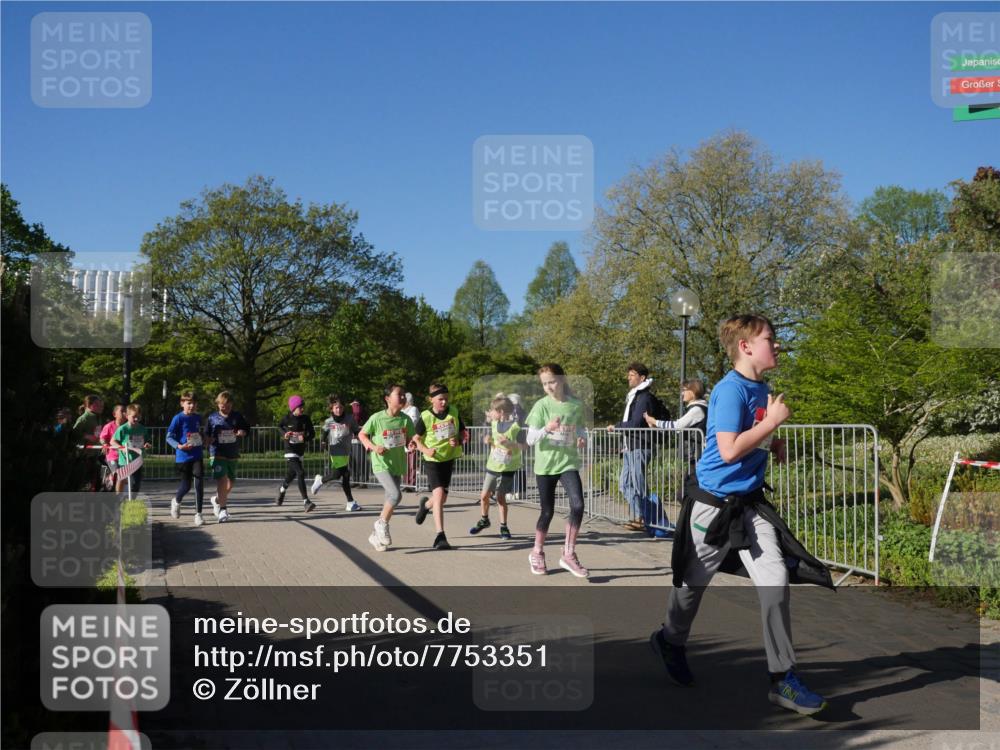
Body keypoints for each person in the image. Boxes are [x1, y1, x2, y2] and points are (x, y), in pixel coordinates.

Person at [649, 314, 832, 717]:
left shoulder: (760, 387)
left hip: (749, 505)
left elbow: (754, 432)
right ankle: (669, 639)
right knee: (692, 586)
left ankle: (782, 678)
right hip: (713, 508)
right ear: (746, 346)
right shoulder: (730, 390)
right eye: (771, 339)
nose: (778, 345)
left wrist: (774, 439)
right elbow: (730, 450)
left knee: (775, 578)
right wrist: (774, 424)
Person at [524, 363, 589, 578]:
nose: (549, 387)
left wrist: (582, 439)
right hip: (545, 466)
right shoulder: (541, 406)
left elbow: (580, 429)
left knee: (578, 505)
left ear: (562, 379)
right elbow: (530, 439)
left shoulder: (575, 405)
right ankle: (537, 552)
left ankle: (568, 554)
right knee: (547, 511)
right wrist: (547, 428)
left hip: (568, 463)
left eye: (552, 381)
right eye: (544, 384)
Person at [358, 384, 414, 552]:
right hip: (380, 463)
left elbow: (410, 439)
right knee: (396, 495)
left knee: (390, 499)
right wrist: (374, 447)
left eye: (404, 395)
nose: (403, 397)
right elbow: (362, 434)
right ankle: (381, 524)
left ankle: (375, 535)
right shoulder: (377, 418)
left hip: (397, 463)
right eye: (399, 395)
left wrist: (411, 444)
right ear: (388, 399)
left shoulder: (405, 419)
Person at [412, 383, 466, 551]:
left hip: (448, 458)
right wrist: (426, 450)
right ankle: (440, 536)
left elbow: (463, 432)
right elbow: (415, 439)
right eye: (440, 399)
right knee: (439, 493)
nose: (444, 402)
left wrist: (457, 440)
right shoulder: (426, 416)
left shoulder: (454, 411)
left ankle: (426, 506)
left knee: (441, 499)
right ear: (431, 400)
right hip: (432, 460)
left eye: (446, 399)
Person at [606, 363, 657, 532]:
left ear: (642, 378)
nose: (629, 377)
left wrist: (617, 426)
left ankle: (646, 518)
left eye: (632, 374)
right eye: (629, 374)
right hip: (630, 447)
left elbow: (636, 422)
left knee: (639, 485)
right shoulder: (634, 396)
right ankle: (640, 516)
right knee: (624, 484)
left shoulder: (644, 398)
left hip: (640, 446)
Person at [470, 395, 523, 539]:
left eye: (492, 410)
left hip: (508, 467)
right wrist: (489, 440)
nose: (490, 413)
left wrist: (510, 444)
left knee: (500, 497)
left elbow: (523, 446)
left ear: (501, 412)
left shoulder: (515, 427)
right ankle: (484, 520)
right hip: (493, 465)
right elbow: (494, 442)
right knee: (484, 495)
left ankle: (504, 527)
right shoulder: (494, 424)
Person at [205, 390, 251, 523]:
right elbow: (206, 435)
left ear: (231, 404)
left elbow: (247, 429)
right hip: (217, 452)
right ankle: (223, 510)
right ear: (218, 404)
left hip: (232, 452)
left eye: (228, 404)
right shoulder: (212, 418)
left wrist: (243, 432)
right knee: (222, 480)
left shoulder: (237, 416)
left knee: (231, 481)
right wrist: (208, 440)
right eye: (222, 404)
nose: (225, 407)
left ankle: (217, 499)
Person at [311, 394, 362, 510]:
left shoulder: (349, 419)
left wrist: (363, 438)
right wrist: (323, 442)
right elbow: (324, 432)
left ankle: (321, 481)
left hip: (346, 451)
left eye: (340, 408)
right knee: (341, 474)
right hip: (335, 450)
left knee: (342, 475)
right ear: (332, 409)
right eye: (336, 408)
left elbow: (356, 430)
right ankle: (350, 502)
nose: (338, 410)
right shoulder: (329, 421)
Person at [644, 378, 709, 465]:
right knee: (689, 477)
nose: (682, 393)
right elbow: (677, 429)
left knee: (692, 477)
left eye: (684, 390)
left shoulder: (697, 410)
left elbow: (678, 425)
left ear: (693, 392)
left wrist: (655, 422)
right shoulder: (696, 408)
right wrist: (656, 426)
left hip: (698, 455)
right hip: (696, 454)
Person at [166, 391, 207, 525]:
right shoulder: (178, 418)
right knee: (186, 486)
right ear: (182, 403)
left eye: (194, 403)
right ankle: (176, 501)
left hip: (197, 455)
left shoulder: (198, 417)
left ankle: (198, 514)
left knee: (199, 482)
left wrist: (203, 438)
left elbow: (200, 433)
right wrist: (179, 446)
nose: (192, 406)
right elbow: (169, 437)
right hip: (183, 456)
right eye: (189, 403)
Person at [276, 395, 316, 512]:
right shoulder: (287, 418)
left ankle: (282, 489)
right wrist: (285, 434)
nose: (302, 409)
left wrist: (305, 438)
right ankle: (306, 502)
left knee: (292, 474)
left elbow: (312, 433)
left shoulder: (306, 419)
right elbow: (279, 426)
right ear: (293, 408)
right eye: (300, 407)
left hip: (300, 451)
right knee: (300, 472)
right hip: (290, 450)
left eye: (303, 407)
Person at [111, 403, 151, 495]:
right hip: (125, 460)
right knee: (122, 479)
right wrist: (122, 448)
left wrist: (147, 444)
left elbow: (146, 441)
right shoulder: (123, 429)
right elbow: (112, 441)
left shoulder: (142, 429)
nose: (136, 419)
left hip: (137, 461)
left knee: (136, 484)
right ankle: (118, 497)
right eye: (134, 417)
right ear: (127, 416)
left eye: (138, 417)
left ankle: (131, 501)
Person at [72, 395, 104, 490]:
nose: (100, 406)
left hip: (95, 454)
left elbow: (97, 434)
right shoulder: (84, 418)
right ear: (89, 406)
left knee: (96, 482)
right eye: (97, 404)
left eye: (101, 404)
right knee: (86, 482)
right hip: (85, 455)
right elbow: (73, 434)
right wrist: (86, 436)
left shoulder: (98, 418)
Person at [99, 404, 127, 490]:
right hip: (112, 456)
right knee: (118, 475)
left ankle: (119, 494)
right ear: (114, 414)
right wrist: (104, 444)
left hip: (125, 456)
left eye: (125, 411)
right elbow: (102, 438)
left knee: (124, 478)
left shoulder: (128, 427)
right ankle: (109, 480)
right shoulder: (109, 426)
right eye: (122, 411)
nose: (125, 413)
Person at [401, 392, 421, 490]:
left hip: (411, 439)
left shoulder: (413, 409)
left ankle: (412, 484)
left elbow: (413, 421)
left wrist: (403, 426)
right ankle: (405, 483)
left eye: (404, 400)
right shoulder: (401, 410)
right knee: (404, 463)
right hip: (402, 439)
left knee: (411, 463)